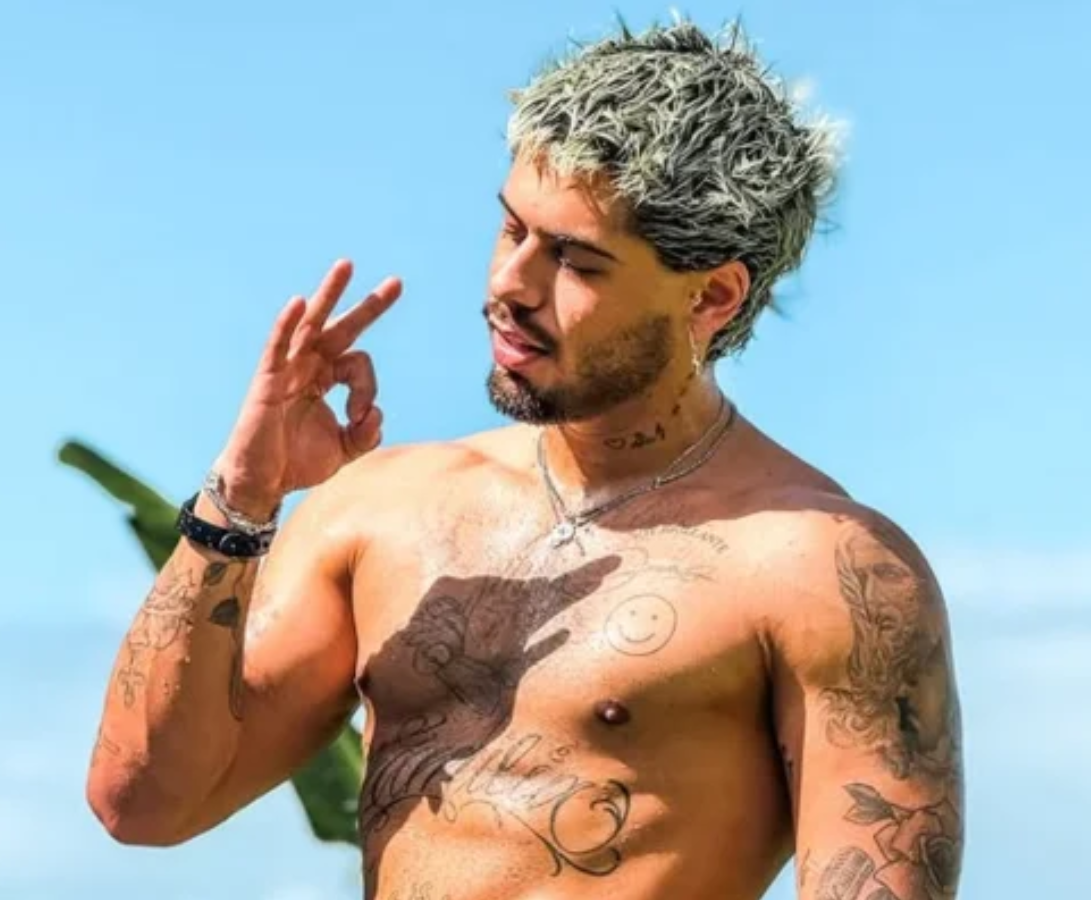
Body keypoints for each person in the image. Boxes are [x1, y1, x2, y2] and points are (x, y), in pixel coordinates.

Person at [86, 19, 963, 900]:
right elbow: (143, 802)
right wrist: (240, 498)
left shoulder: (824, 569)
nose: (511, 284)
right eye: (512, 231)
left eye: (577, 262)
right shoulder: (381, 511)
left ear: (712, 297)